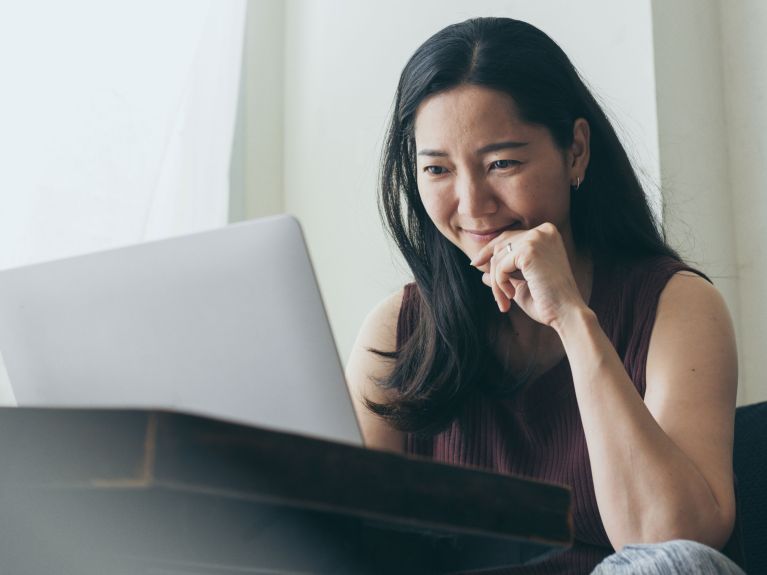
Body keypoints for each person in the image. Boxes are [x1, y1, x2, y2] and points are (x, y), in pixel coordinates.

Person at [344, 17, 745, 575]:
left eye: (501, 163)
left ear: (575, 151)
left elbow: (670, 541)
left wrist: (573, 319)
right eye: (437, 169)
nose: (472, 203)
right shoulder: (397, 331)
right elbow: (342, 538)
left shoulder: (674, 306)